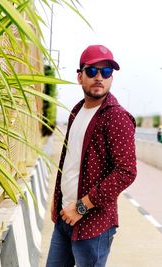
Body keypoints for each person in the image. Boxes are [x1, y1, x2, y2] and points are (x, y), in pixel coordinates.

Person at [46, 44, 137, 267]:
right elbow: (69, 162)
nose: (99, 77)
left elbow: (126, 172)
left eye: (106, 72)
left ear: (111, 78)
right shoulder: (77, 111)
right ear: (80, 77)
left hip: (93, 225)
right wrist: (57, 200)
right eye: (92, 71)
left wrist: (81, 207)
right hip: (64, 216)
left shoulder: (117, 117)